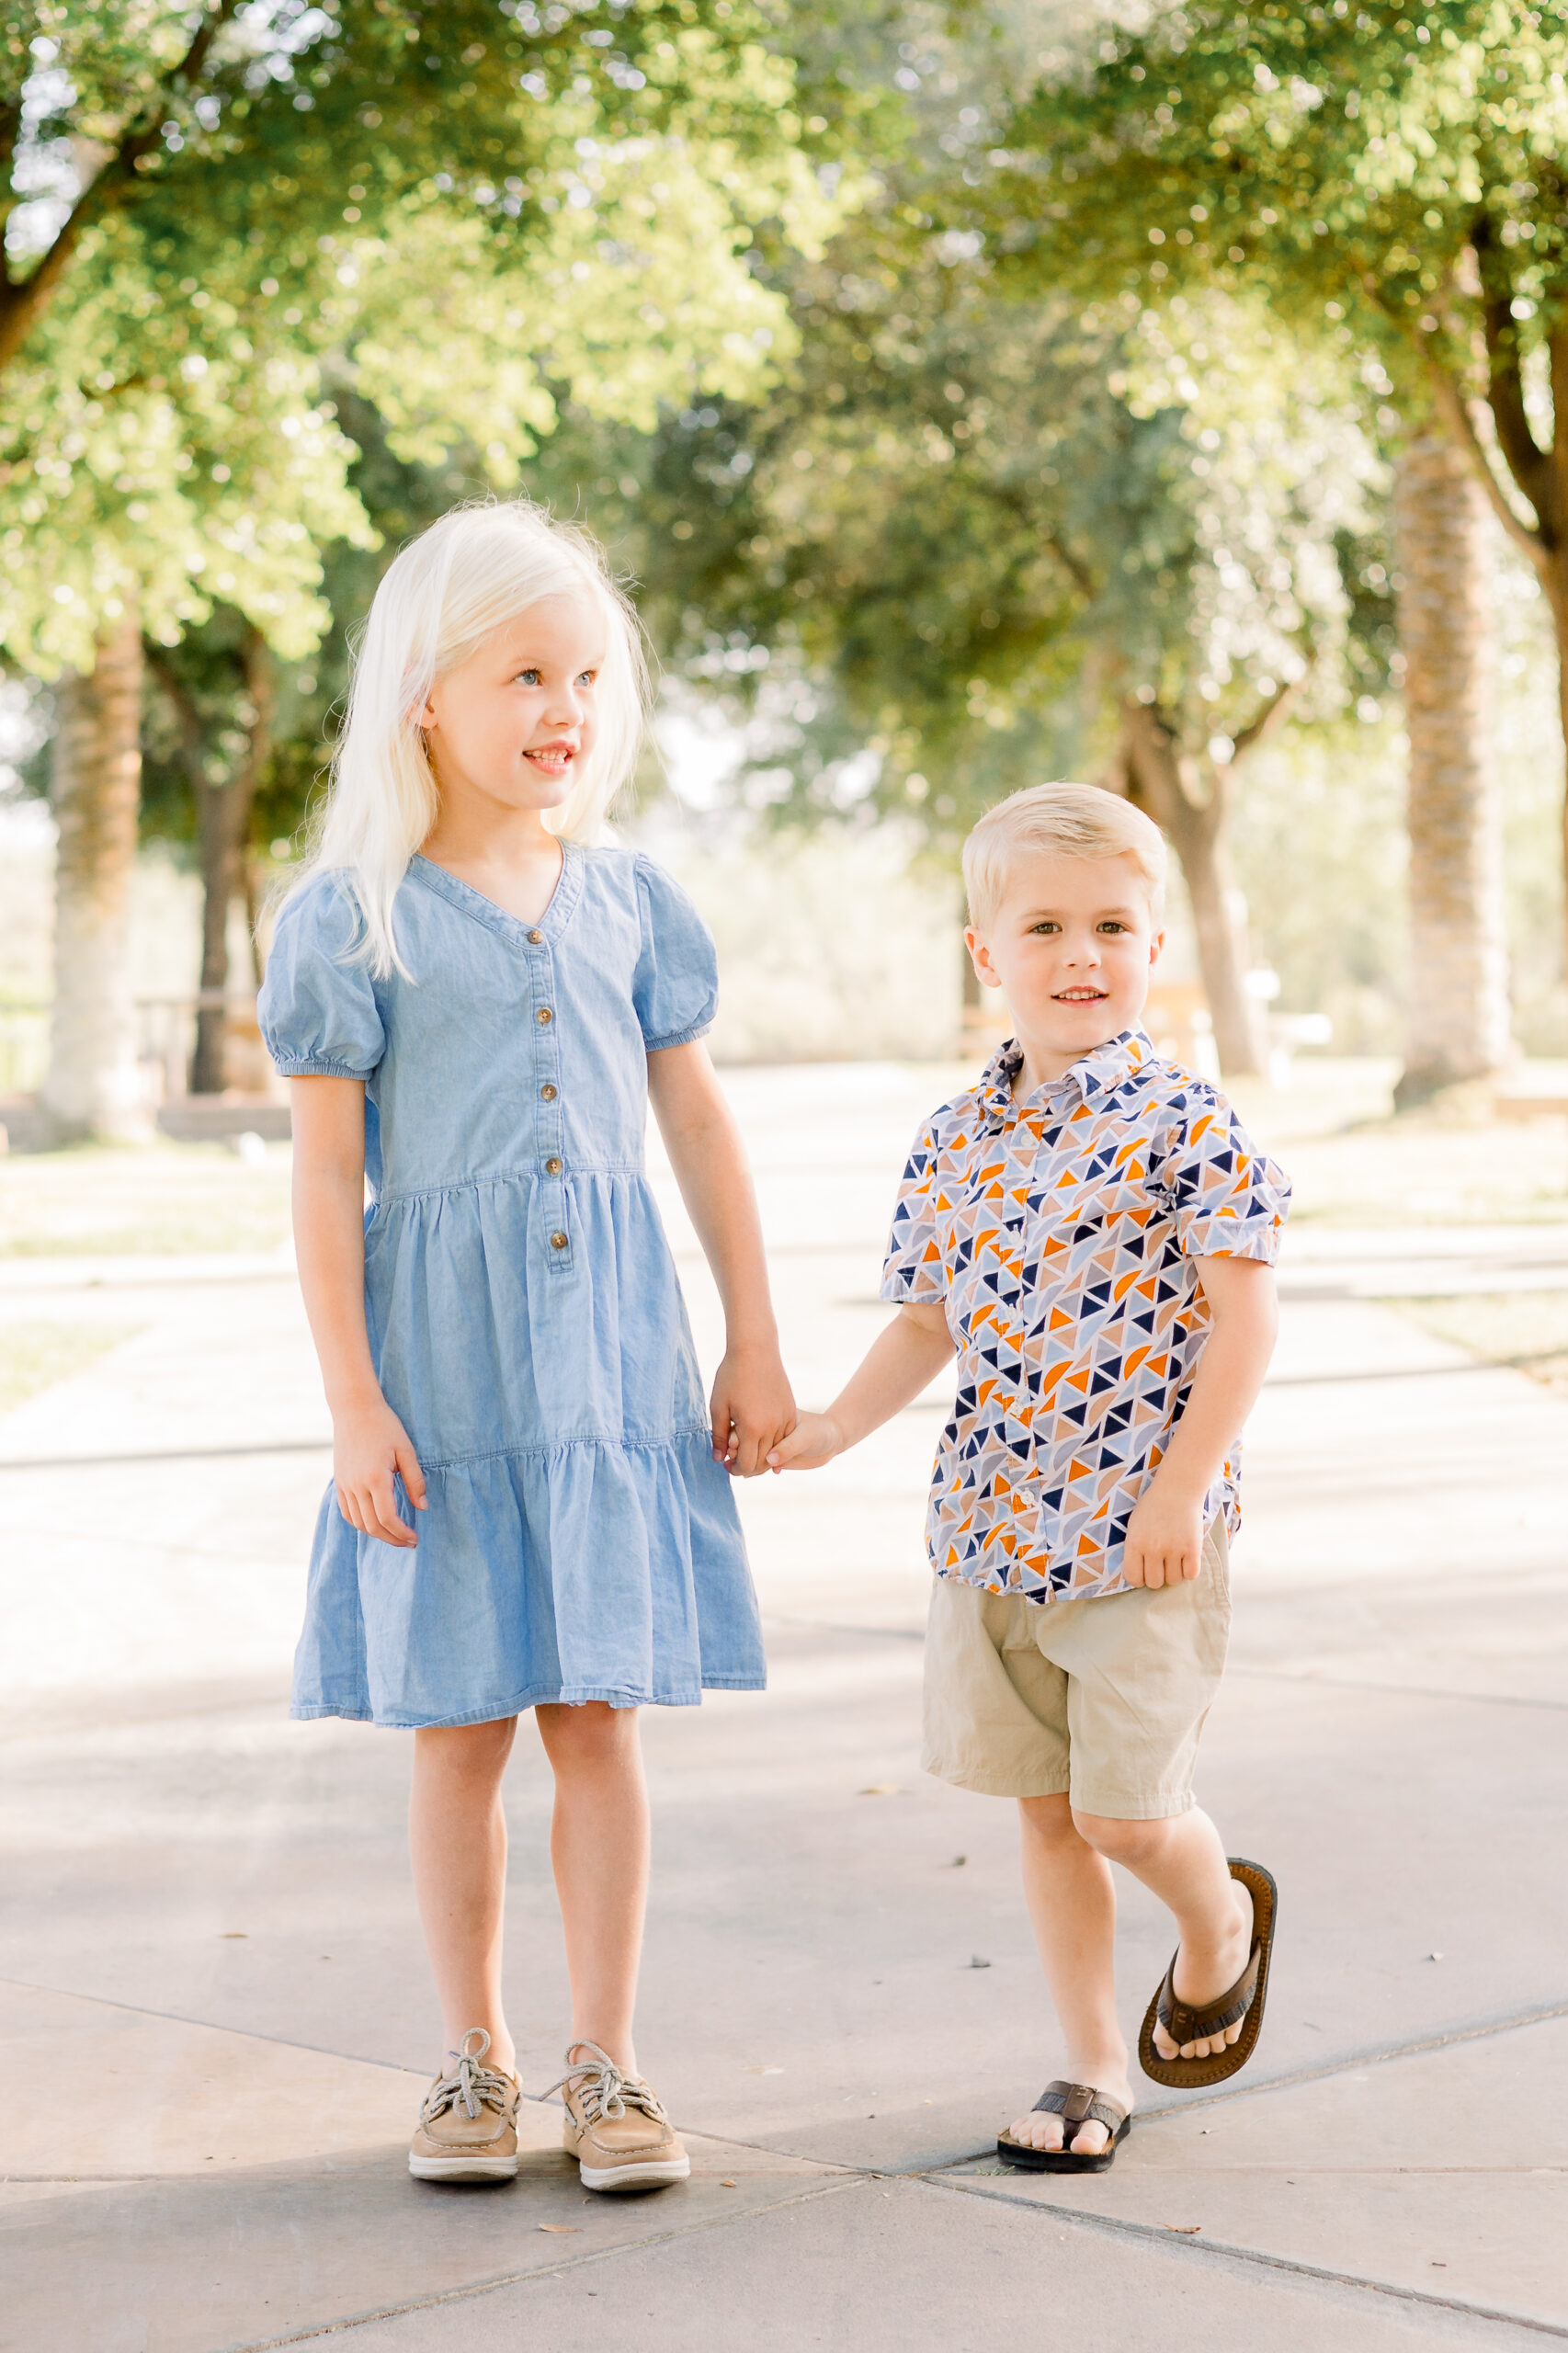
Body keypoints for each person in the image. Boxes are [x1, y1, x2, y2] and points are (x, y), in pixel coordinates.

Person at [258, 500, 794, 2193]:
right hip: (446, 1373)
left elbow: (699, 1133)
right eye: (523, 675)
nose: (562, 708)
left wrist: (754, 1339)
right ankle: (471, 2063)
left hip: (612, 1367)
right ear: (426, 692)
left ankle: (609, 2063)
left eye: (583, 675)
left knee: (599, 1721)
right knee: (461, 1727)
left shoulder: (631, 897)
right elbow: (330, 1173)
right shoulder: (355, 915)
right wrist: (354, 1402)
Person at [768, 782, 1290, 2174]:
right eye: (1044, 926)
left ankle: (1217, 1921)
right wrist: (830, 1425)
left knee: (1124, 1812)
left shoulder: (1191, 1128)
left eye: (1112, 926)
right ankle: (1085, 2070)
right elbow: (927, 1323)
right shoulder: (952, 1142)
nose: (1079, 955)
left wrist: (1178, 1490)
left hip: (1140, 1539)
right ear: (984, 954)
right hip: (990, 1532)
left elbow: (1244, 1323)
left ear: (1155, 948)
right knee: (1050, 1816)